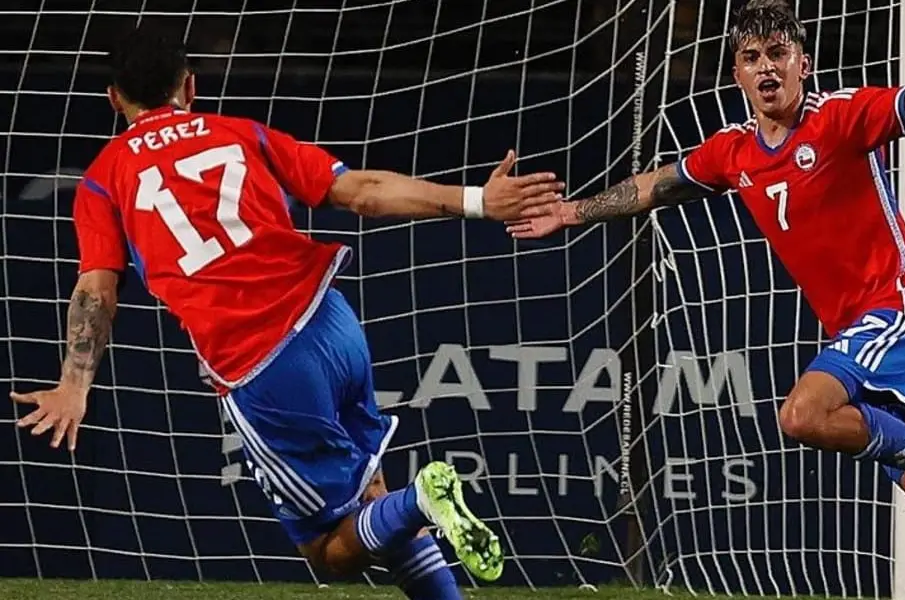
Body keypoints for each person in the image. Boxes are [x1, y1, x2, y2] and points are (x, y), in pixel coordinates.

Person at [503, 2, 905, 598]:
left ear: (802, 64)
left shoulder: (841, 117)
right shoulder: (733, 152)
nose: (766, 67)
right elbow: (656, 185)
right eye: (752, 57)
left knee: (802, 415)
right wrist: (572, 212)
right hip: (860, 331)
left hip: (902, 312)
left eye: (778, 52)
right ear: (736, 73)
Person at [9, 24, 564, 598]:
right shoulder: (241, 133)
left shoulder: (103, 179)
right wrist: (478, 200)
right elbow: (363, 190)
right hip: (332, 320)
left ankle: (422, 498)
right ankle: (414, 514)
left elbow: (97, 290)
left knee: (329, 552)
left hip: (261, 361)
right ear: (189, 87)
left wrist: (74, 384)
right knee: (371, 497)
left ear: (114, 98)